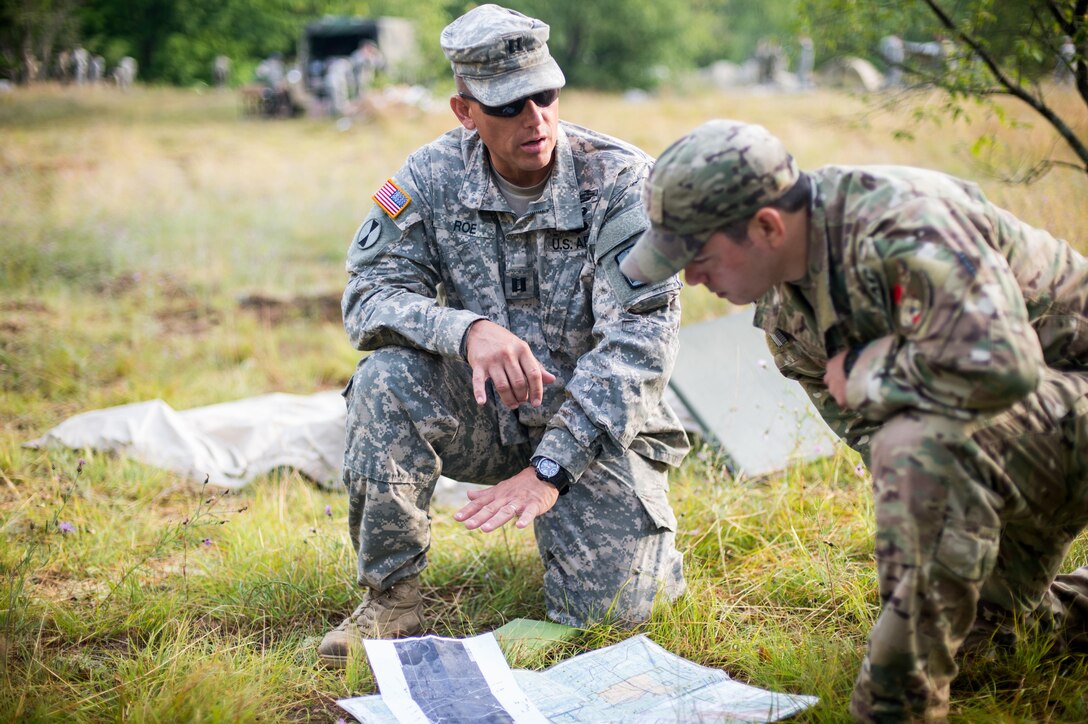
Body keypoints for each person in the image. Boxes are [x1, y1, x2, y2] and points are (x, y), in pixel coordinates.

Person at [620, 118, 1088, 721]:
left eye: (700, 256)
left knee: (917, 448)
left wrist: (875, 370)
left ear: (767, 226)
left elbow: (1006, 364)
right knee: (986, 646)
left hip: (1059, 398)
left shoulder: (903, 225)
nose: (692, 278)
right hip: (1011, 444)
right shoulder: (785, 308)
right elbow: (872, 438)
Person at [318, 3, 689, 668]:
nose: (535, 118)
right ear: (465, 112)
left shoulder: (622, 181)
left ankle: (644, 544)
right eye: (509, 104)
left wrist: (550, 469)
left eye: (545, 95)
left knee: (614, 618)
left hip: (595, 423)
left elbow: (641, 348)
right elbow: (366, 298)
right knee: (385, 380)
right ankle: (392, 598)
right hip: (488, 416)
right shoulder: (430, 178)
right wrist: (466, 330)